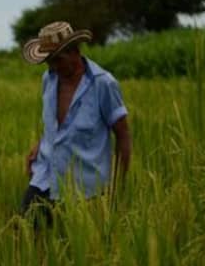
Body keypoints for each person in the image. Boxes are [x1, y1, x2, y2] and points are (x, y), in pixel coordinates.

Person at [20, 21, 132, 226]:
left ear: (75, 52)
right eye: (48, 61)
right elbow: (54, 125)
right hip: (45, 177)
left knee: (77, 251)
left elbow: (123, 134)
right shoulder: (49, 78)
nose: (53, 66)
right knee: (25, 240)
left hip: (85, 190)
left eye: (58, 60)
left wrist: (116, 187)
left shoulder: (103, 84)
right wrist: (40, 144)